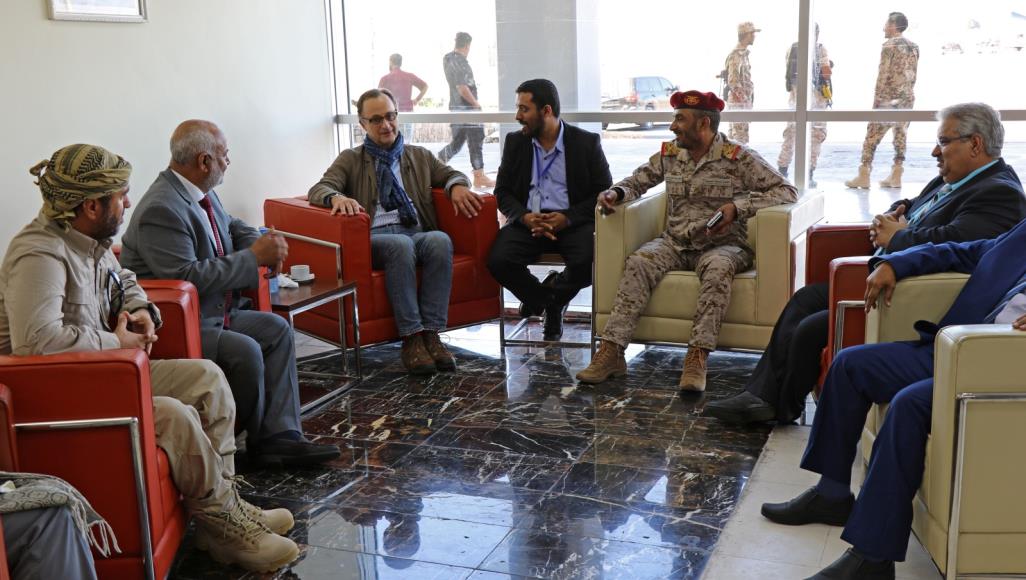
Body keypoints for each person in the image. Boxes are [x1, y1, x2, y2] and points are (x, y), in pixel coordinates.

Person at [0, 144, 299, 572]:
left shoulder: (88, 240)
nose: (127, 204)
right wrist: (115, 342)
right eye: (121, 196)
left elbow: (124, 277)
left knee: (208, 379)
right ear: (91, 205)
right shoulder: (39, 254)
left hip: (104, 373)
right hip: (58, 395)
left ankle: (223, 510)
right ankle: (225, 526)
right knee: (174, 415)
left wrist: (140, 309)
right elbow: (37, 343)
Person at [705, 102, 1026, 426]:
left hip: (912, 293)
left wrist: (898, 236)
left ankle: (779, 406)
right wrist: (890, 217)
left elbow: (956, 245)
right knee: (804, 300)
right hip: (883, 275)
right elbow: (909, 206)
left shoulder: (1000, 193)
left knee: (810, 328)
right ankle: (761, 396)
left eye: (943, 142)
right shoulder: (954, 179)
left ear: (975, 144)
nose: (934, 152)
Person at [761, 214, 1026, 580]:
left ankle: (872, 558)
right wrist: (894, 263)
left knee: (909, 404)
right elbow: (963, 251)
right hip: (949, 350)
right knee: (850, 365)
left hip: (1000, 369)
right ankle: (832, 494)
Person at [119, 121, 341, 469]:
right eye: (225, 155)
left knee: (276, 329)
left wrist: (260, 242)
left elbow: (232, 226)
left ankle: (279, 436)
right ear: (204, 161)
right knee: (246, 350)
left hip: (215, 312)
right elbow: (186, 277)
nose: (228, 161)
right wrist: (254, 257)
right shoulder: (161, 209)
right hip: (180, 324)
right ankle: (240, 442)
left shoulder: (198, 191)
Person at [575, 90, 797, 391]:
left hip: (724, 245)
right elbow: (638, 180)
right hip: (675, 242)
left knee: (718, 269)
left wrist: (738, 207)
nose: (673, 126)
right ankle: (612, 352)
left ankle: (696, 358)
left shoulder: (738, 157)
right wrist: (616, 193)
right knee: (639, 261)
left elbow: (786, 191)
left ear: (703, 123)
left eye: (680, 119)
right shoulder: (671, 154)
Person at [308, 88, 483, 374]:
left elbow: (452, 174)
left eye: (390, 116)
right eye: (376, 119)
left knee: (439, 240)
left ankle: (431, 334)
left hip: (415, 231)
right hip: (376, 238)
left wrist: (457, 186)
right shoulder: (351, 159)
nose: (386, 125)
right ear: (362, 124)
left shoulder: (419, 156)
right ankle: (412, 338)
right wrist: (336, 197)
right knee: (400, 245)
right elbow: (320, 188)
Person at [487, 79, 612, 341]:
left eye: (524, 109)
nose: (517, 116)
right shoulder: (515, 142)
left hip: (571, 221)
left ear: (546, 111)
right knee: (499, 260)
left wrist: (567, 218)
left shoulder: (586, 142)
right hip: (528, 221)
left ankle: (545, 299)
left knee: (590, 262)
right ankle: (550, 302)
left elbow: (602, 191)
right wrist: (524, 217)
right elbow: (503, 191)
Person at [845, 12, 919, 190]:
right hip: (907, 98)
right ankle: (896, 175)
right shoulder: (914, 46)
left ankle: (864, 174)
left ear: (893, 25)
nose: (884, 28)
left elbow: (883, 73)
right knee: (900, 135)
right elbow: (914, 74)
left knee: (872, 136)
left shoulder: (889, 45)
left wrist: (878, 98)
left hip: (888, 99)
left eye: (886, 24)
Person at [437, 31, 495, 189]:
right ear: (468, 45)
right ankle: (479, 177)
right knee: (476, 140)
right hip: (467, 108)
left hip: (455, 107)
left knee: (458, 142)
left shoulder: (448, 58)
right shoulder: (460, 62)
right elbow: (462, 87)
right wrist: (476, 105)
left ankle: (437, 163)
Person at [778, 24, 832, 187]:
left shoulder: (792, 49)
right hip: (816, 101)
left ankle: (782, 171)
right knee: (816, 136)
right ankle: (808, 174)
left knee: (790, 136)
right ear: (816, 33)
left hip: (795, 99)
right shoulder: (820, 49)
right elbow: (826, 72)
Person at [723, 22, 760, 144]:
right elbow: (733, 82)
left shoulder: (743, 54)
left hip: (741, 103)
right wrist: (745, 101)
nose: (754, 36)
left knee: (735, 141)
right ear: (746, 35)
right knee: (740, 140)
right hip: (738, 104)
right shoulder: (736, 55)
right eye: (752, 33)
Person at [378, 53, 427, 138]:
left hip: (391, 114)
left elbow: (378, 97)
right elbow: (425, 86)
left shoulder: (385, 78)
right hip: (408, 112)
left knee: (393, 141)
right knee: (406, 140)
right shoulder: (409, 76)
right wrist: (417, 100)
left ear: (390, 62)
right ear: (401, 63)